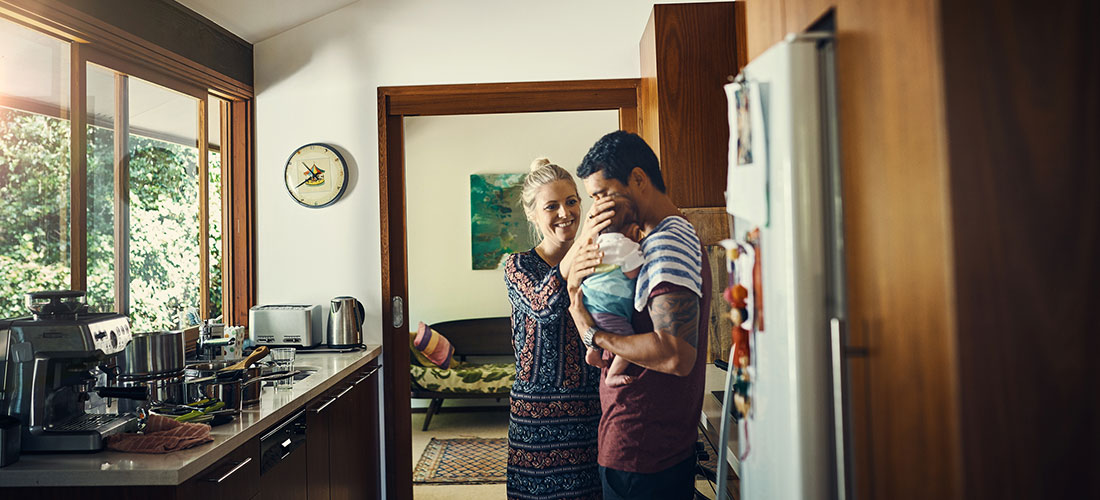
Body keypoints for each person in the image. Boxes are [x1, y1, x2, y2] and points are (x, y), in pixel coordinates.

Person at [567, 131, 711, 500]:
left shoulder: (666, 241)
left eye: (602, 194)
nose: (596, 207)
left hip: (641, 447)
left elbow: (676, 355)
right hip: (647, 442)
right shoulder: (653, 238)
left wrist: (591, 333)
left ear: (638, 179)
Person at [503, 157, 614, 500]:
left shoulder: (598, 259)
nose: (566, 213)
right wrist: (574, 260)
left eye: (571, 201)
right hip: (537, 416)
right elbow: (543, 304)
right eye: (551, 206)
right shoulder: (517, 265)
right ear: (533, 215)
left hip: (591, 405)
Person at [580, 199, 645, 387]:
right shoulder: (626, 246)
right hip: (608, 306)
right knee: (628, 342)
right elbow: (632, 273)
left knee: (596, 329)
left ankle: (592, 351)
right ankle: (613, 374)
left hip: (589, 301)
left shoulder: (595, 244)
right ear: (633, 229)